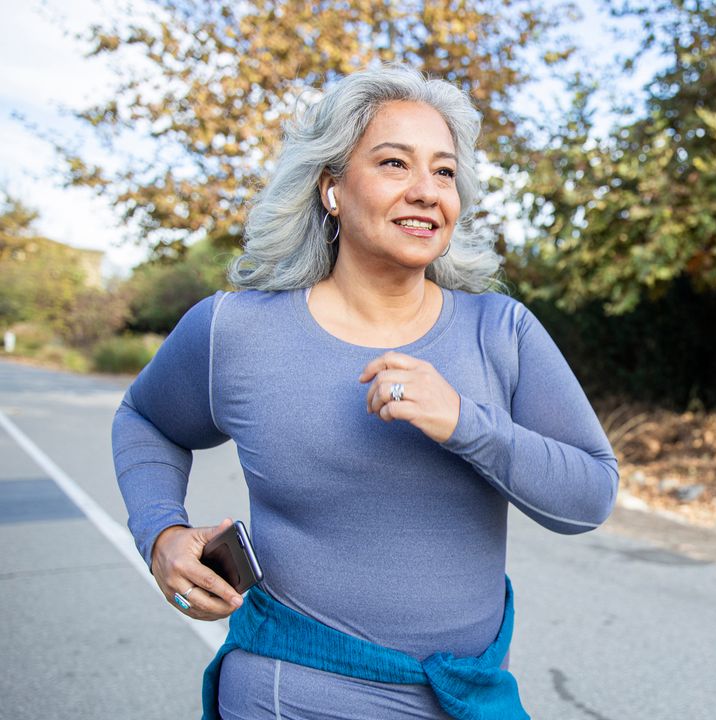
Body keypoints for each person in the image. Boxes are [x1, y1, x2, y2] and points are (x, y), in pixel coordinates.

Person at [112, 64, 619, 720]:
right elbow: (146, 419)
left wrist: (468, 422)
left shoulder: (503, 330)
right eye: (393, 163)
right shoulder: (236, 329)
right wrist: (161, 533)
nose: (426, 191)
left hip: (465, 699)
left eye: (443, 171)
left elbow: (589, 497)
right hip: (289, 694)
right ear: (330, 189)